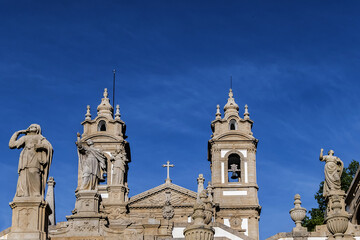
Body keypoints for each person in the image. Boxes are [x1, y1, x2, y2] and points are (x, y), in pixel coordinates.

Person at [9, 124, 53, 198]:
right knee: (23, 174)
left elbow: (49, 147)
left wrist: (41, 146)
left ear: (38, 129)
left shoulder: (40, 137)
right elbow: (11, 145)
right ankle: (23, 194)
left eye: (34, 127)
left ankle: (36, 193)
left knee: (34, 172)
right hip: (25, 157)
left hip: (35, 157)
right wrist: (18, 133)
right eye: (30, 127)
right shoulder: (25, 138)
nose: (31, 127)